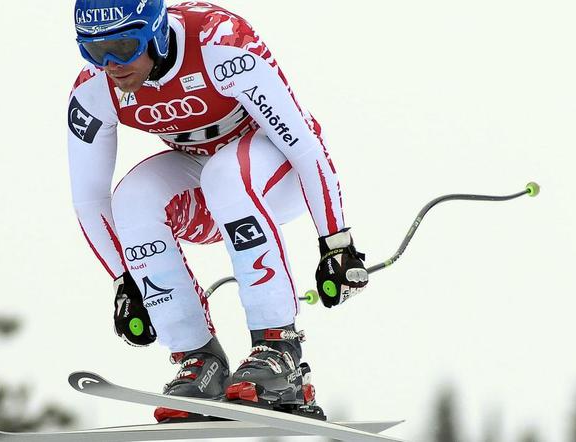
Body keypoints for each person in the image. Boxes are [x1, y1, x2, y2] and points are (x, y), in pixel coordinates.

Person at [67, 0, 369, 421]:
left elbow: (303, 144)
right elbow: (89, 198)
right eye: (95, 51)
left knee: (227, 175)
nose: (112, 64)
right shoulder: (94, 91)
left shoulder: (219, 43)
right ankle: (198, 359)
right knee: (132, 199)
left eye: (123, 45)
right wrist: (126, 280)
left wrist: (336, 241)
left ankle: (279, 349)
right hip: (209, 182)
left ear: (155, 30)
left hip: (277, 174)